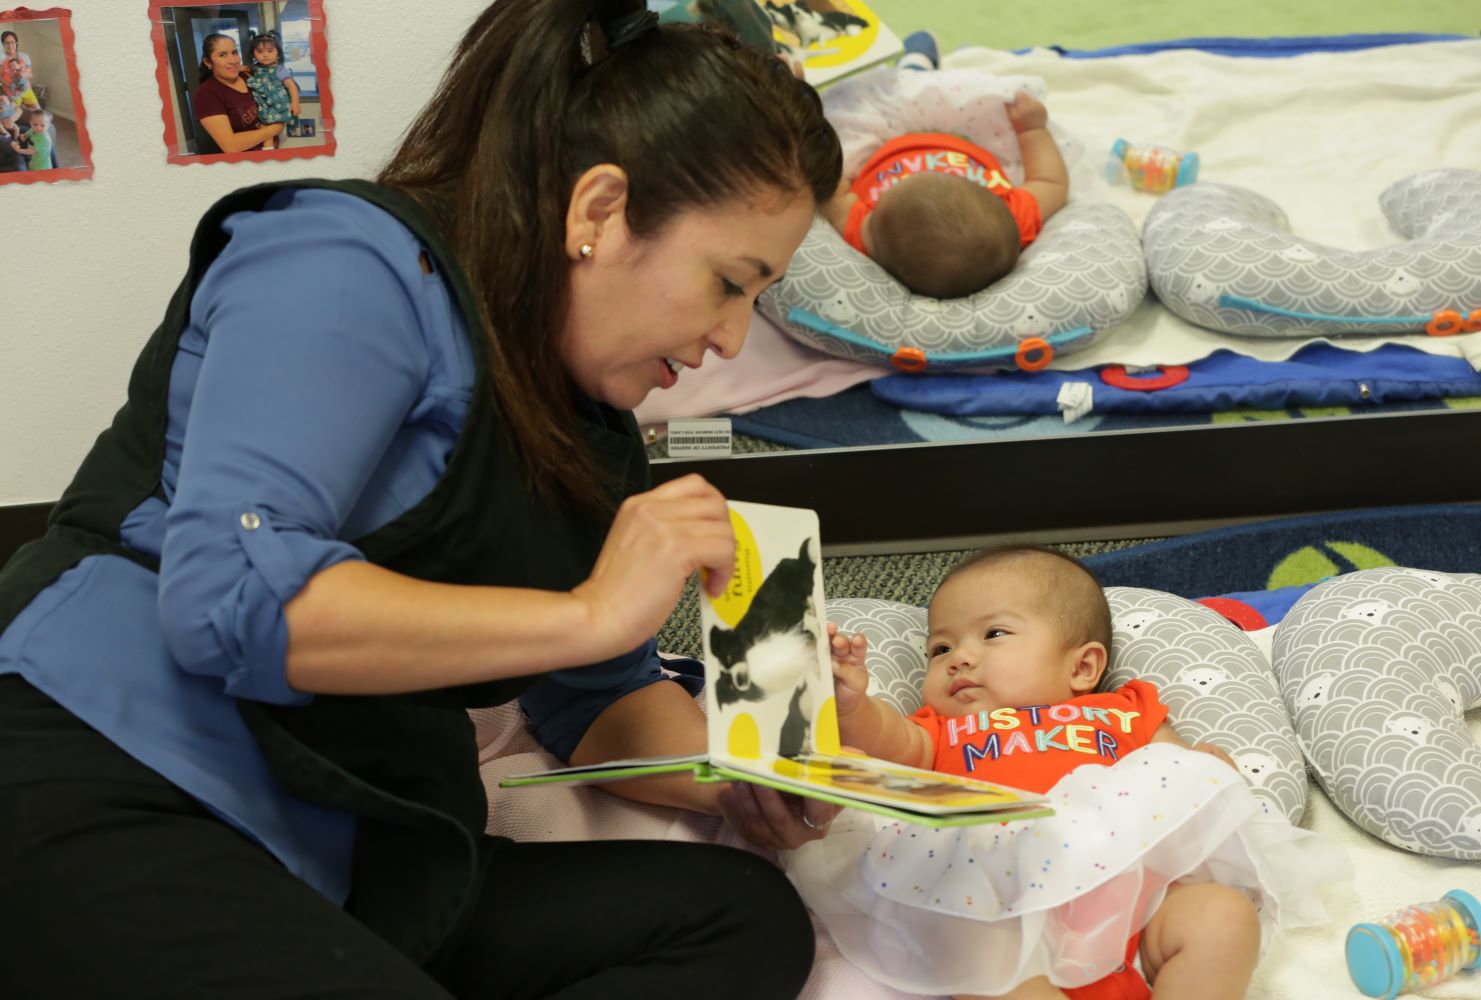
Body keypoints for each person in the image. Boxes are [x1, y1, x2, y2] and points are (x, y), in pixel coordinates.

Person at [0, 1, 844, 997]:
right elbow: (229, 602)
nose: (731, 341)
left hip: (350, 834)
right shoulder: (342, 263)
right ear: (599, 212)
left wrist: (760, 767)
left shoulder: (593, 428)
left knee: (739, 918)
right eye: (728, 283)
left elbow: (597, 698)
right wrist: (587, 611)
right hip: (103, 769)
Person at [788, 546, 1347, 1000]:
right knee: (967, 945)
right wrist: (851, 705)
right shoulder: (938, 729)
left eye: (994, 634)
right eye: (940, 647)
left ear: (1083, 666)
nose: (958, 657)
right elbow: (883, 746)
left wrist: (1208, 770)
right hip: (1002, 913)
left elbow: (1174, 776)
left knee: (1221, 916)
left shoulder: (1123, 710)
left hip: (1135, 906)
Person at [820, 60, 1070, 299]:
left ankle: (913, 66)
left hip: (886, 137)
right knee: (941, 88)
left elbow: (832, 190)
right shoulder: (1009, 219)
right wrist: (1032, 130)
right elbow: (1050, 182)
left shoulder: (865, 235)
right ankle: (917, 67)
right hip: (968, 135)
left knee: (857, 102)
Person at [191, 32, 284, 154]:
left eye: (234, 52)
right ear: (208, 62)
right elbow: (231, 146)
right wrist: (274, 129)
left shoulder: (248, 76)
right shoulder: (206, 94)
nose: (233, 60)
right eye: (223, 55)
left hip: (271, 152)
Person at [246, 30, 301, 148]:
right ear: (253, 54)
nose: (265, 55)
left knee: (270, 129)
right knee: (265, 127)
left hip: (278, 104)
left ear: (278, 54)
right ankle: (270, 149)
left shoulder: (279, 70)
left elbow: (292, 86)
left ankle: (268, 151)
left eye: (270, 51)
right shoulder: (255, 68)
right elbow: (246, 68)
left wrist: (295, 103)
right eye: (259, 51)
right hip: (264, 104)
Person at [9, 105, 49, 170]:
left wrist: (18, 150)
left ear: (48, 126)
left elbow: (32, 151)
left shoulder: (45, 140)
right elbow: (28, 133)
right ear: (31, 123)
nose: (38, 128)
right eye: (35, 124)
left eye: (42, 125)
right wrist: (24, 136)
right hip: (32, 159)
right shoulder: (32, 130)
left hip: (40, 165)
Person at [0, 30, 34, 108]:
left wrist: (23, 74)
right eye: (7, 43)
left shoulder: (24, 56)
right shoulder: (1, 58)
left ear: (16, 43)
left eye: (12, 42)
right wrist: (8, 85)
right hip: (11, 91)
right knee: (15, 111)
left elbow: (31, 74)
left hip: (25, 88)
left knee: (38, 111)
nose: (10, 45)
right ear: (3, 44)